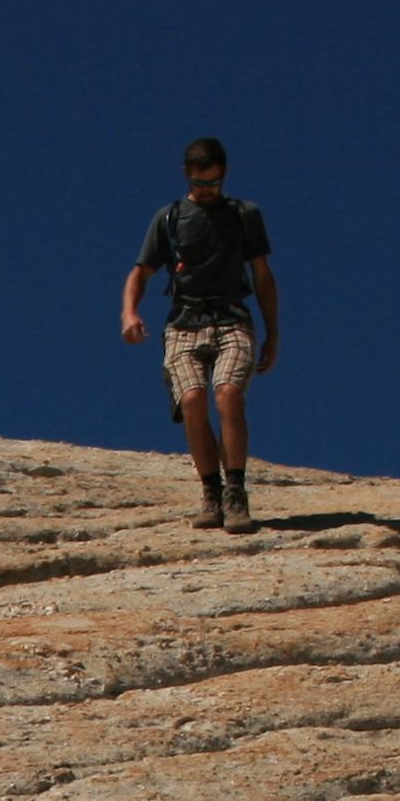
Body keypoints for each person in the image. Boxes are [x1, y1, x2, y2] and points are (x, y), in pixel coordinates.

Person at [120, 136, 278, 532]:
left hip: (232, 319)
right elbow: (140, 272)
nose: (206, 191)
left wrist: (272, 333)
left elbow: (262, 276)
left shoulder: (244, 215)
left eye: (213, 183)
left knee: (228, 394)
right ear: (186, 176)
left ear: (224, 176)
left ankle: (235, 494)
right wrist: (130, 312)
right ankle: (211, 493)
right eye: (198, 183)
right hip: (184, 323)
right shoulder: (169, 218)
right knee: (192, 400)